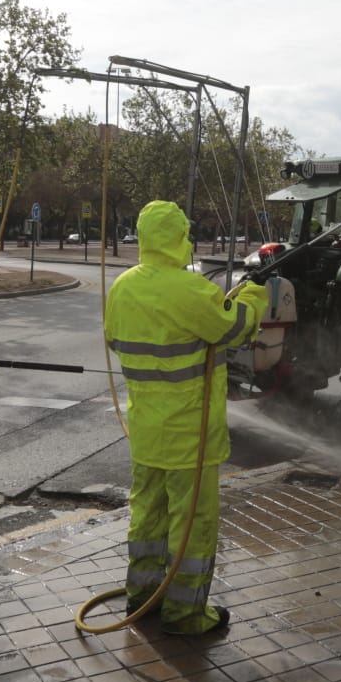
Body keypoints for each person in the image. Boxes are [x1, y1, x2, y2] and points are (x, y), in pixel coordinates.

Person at [104, 200, 268, 635]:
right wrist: (253, 293)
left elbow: (116, 340)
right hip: (189, 433)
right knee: (192, 526)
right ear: (179, 237)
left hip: (146, 430)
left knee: (148, 518)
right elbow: (233, 330)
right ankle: (187, 614)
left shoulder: (123, 286)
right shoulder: (190, 289)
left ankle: (143, 595)